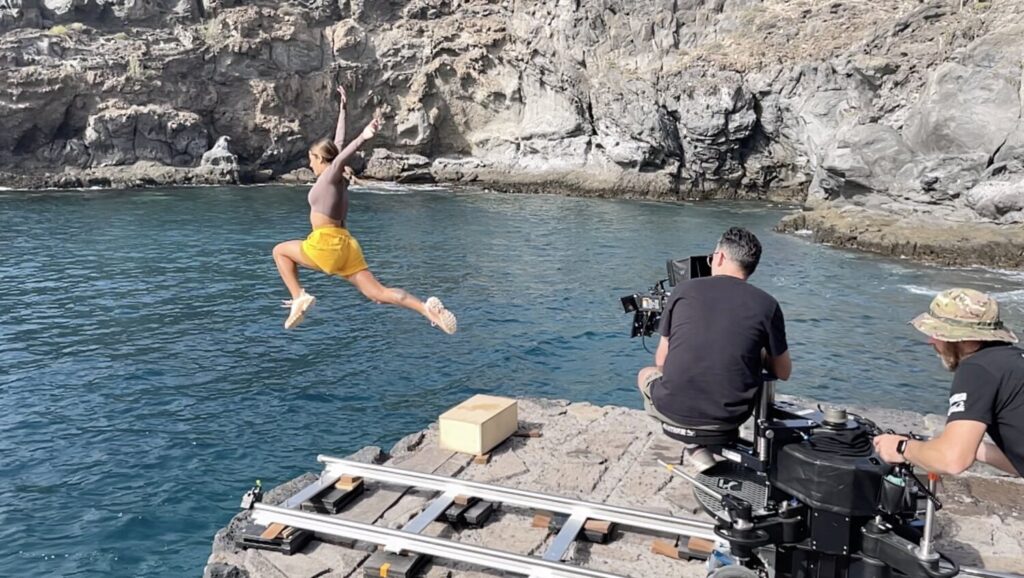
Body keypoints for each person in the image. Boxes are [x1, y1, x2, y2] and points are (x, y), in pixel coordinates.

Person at [271, 86, 458, 333]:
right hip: (347, 246)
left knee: (280, 252)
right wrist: (343, 109)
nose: (310, 163)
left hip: (326, 245)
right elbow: (338, 145)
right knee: (378, 294)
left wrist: (363, 137)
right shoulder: (333, 178)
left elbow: (339, 156)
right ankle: (427, 310)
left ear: (321, 160)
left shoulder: (328, 178)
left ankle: (299, 297)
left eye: (311, 158)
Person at [637, 227, 792, 471]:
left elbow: (661, 362)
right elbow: (782, 371)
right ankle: (700, 447)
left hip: (674, 412)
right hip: (729, 418)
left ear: (718, 257)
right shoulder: (767, 304)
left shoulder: (683, 291)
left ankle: (694, 446)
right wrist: (757, 351)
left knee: (645, 374)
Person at [874, 289, 1022, 477]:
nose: (931, 341)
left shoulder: (977, 369)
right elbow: (1019, 463)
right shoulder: (1012, 363)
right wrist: (973, 448)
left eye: (937, 333)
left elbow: (951, 461)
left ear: (962, 338)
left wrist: (902, 447)